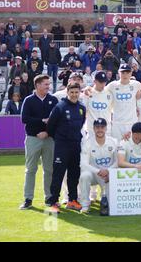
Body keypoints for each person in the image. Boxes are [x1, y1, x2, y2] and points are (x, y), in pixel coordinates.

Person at [19, 75, 59, 210]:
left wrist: (47, 132)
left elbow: (56, 120)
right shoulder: (28, 100)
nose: (48, 86)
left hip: (49, 139)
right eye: (46, 84)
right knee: (30, 170)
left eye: (49, 84)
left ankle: (49, 198)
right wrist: (42, 121)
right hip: (32, 139)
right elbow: (24, 119)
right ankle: (28, 199)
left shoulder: (53, 100)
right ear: (37, 85)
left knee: (49, 170)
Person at [46, 83, 86, 214]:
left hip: (76, 145)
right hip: (62, 146)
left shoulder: (81, 108)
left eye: (76, 92)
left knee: (74, 174)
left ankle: (72, 200)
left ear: (79, 92)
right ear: (67, 92)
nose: (74, 94)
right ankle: (53, 202)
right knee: (58, 174)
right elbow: (51, 126)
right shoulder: (60, 107)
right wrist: (60, 138)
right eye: (72, 92)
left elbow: (81, 123)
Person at [79, 118, 119, 214]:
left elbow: (118, 161)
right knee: (84, 176)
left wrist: (109, 171)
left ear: (106, 128)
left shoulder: (113, 142)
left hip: (107, 175)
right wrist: (98, 171)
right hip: (94, 173)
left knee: (110, 205)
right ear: (93, 128)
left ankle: (105, 200)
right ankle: (85, 205)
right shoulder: (87, 143)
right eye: (97, 127)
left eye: (102, 127)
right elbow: (83, 163)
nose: (100, 129)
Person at [106, 64, 141, 142]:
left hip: (131, 123)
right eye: (123, 72)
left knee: (131, 148)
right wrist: (88, 88)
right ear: (119, 73)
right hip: (117, 124)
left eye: (127, 72)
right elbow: (100, 90)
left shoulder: (136, 84)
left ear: (131, 73)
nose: (125, 75)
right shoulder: (112, 85)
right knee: (117, 149)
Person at [82, 71, 113, 138]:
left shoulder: (110, 93)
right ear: (95, 81)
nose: (103, 84)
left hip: (106, 130)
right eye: (100, 82)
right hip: (91, 130)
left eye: (104, 82)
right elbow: (84, 110)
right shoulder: (88, 93)